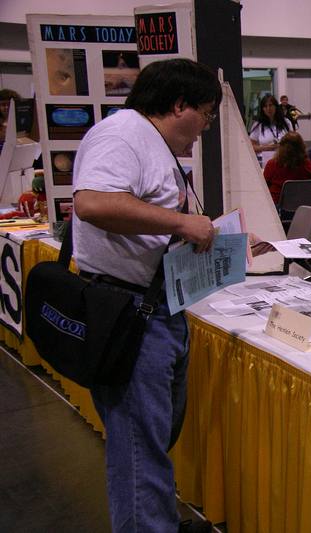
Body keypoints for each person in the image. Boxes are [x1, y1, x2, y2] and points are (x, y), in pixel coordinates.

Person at [72, 58, 220, 533]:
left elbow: (145, 219)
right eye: (206, 112)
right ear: (179, 105)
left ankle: (155, 521)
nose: (207, 126)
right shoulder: (122, 136)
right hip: (131, 315)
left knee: (151, 438)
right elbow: (92, 202)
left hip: (156, 309)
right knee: (139, 446)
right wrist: (180, 223)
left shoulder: (147, 140)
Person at [263, 131, 311, 204]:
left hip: (278, 208)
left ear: (281, 147)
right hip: (303, 208)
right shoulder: (306, 164)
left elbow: (263, 187)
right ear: (302, 147)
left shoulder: (272, 164)